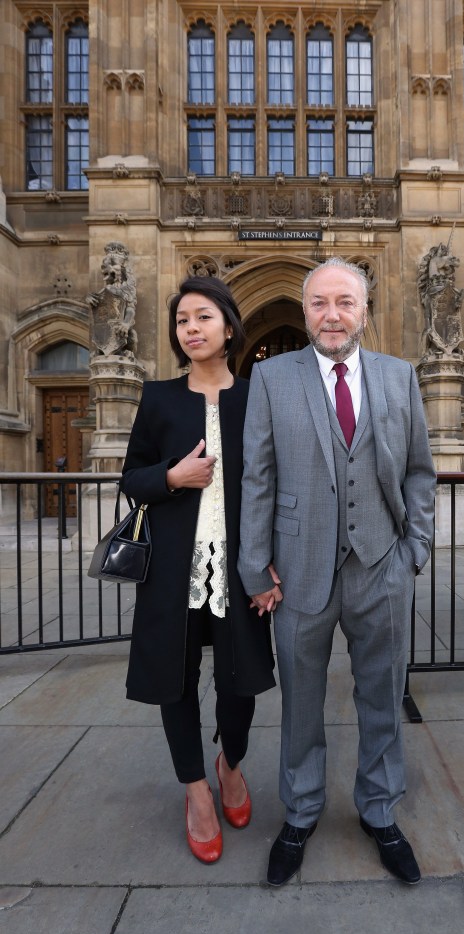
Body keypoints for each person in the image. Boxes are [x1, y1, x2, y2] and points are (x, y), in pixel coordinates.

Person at [238, 257, 436, 886]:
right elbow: (258, 477)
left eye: (345, 303)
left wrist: (414, 551)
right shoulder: (272, 378)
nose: (332, 315)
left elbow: (418, 471)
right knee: (300, 702)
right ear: (305, 312)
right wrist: (254, 567)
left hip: (381, 566)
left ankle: (380, 809)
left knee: (382, 695)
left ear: (365, 311)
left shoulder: (399, 376)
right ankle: (299, 812)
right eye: (320, 303)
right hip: (297, 572)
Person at [121, 275, 275, 864]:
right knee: (175, 684)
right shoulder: (158, 397)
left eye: (203, 317)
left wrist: (271, 564)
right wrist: (168, 478)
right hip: (173, 573)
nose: (192, 329)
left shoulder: (255, 395)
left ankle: (229, 764)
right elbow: (131, 477)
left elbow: (275, 483)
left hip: (239, 572)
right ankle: (196, 794)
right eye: (183, 320)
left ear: (229, 326)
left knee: (242, 682)